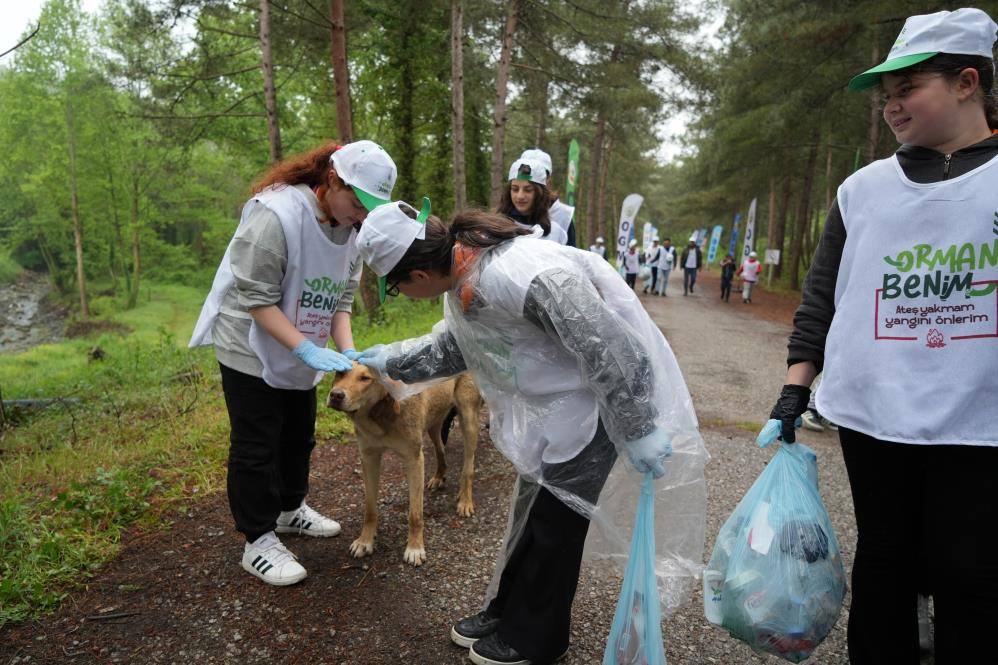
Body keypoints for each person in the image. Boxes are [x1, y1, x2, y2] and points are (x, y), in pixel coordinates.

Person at [351, 204, 705, 665]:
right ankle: (507, 611)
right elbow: (460, 347)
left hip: (592, 408)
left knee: (556, 527)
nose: (402, 294)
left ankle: (537, 637)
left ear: (418, 274)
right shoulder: (463, 274)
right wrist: (391, 361)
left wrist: (636, 427)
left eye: (397, 288)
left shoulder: (520, 273)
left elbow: (611, 344)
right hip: (551, 412)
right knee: (530, 515)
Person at [765, 9, 998, 664]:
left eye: (909, 87)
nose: (892, 104)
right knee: (885, 561)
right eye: (886, 93)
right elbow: (821, 297)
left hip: (980, 424)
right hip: (877, 418)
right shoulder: (862, 190)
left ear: (966, 82)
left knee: (970, 574)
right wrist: (794, 388)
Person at [188, 140, 398, 586]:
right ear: (332, 180)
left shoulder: (353, 229)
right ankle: (258, 539)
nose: (363, 215)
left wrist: (347, 352)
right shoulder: (276, 214)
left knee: (298, 435)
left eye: (370, 209)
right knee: (257, 441)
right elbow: (257, 299)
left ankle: (289, 508)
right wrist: (304, 347)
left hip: (304, 335)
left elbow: (341, 299)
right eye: (359, 202)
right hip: (249, 343)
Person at [497, 157, 567, 244]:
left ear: (539, 193)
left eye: (528, 190)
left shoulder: (555, 233)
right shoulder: (496, 228)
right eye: (515, 189)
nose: (520, 196)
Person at [519, 148, 577, 247]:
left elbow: (571, 258)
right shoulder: (507, 212)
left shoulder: (563, 216)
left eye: (539, 174)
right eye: (527, 173)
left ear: (548, 180)